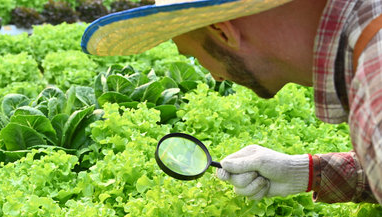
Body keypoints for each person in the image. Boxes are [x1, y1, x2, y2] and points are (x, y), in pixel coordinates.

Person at [81, 0, 382, 205]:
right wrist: (308, 172)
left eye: (194, 55)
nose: (216, 76)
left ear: (222, 32)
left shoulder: (374, 92)